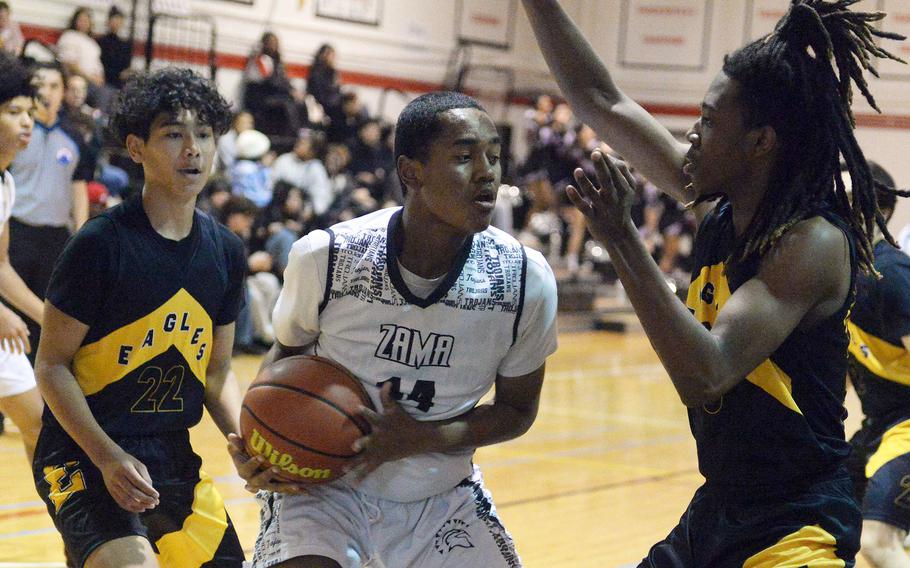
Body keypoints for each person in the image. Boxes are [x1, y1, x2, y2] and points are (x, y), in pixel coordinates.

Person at [522, 0, 906, 565]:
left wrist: (623, 238)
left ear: (760, 142)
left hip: (796, 525)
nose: (691, 135)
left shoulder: (811, 243)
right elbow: (601, 100)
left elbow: (708, 372)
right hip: (719, 509)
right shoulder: (720, 202)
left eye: (707, 121)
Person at [229, 91, 558, 568]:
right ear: (411, 172)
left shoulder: (526, 278)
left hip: (440, 497)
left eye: (495, 157)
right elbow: (284, 357)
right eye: (465, 157)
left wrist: (420, 438)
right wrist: (259, 443)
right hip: (323, 491)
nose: (488, 172)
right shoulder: (328, 256)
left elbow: (518, 410)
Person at [32, 67, 246, 568]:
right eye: (173, 134)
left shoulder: (227, 253)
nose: (192, 148)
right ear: (135, 148)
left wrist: (243, 443)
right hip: (82, 451)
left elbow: (215, 373)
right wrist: (107, 456)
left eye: (204, 134)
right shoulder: (100, 244)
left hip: (172, 457)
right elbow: (51, 366)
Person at [843, 162, 910, 567]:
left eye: (847, 201)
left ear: (878, 212)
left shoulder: (891, 274)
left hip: (908, 426)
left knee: (875, 540)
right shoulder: (843, 270)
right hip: (880, 426)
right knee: (819, 514)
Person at [9, 60, 92, 363]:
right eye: (40, 84)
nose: (46, 91)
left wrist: (82, 233)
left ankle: (33, 379)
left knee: (46, 310)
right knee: (12, 305)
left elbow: (79, 186)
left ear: (63, 92)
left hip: (55, 237)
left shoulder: (75, 138)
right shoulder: (14, 135)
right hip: (16, 229)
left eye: (54, 85)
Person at [0, 52, 46, 469]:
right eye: (14, 112)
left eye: (29, 112)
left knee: (40, 425)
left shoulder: (6, 182)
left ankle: (70, 531)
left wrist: (48, 316)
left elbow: (0, 268)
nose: (27, 121)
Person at [96, 6, 133, 90]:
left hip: (121, 83)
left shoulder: (126, 44)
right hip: (106, 81)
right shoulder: (101, 41)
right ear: (108, 21)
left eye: (119, 20)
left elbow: (127, 66)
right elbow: (101, 64)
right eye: (114, 19)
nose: (116, 22)